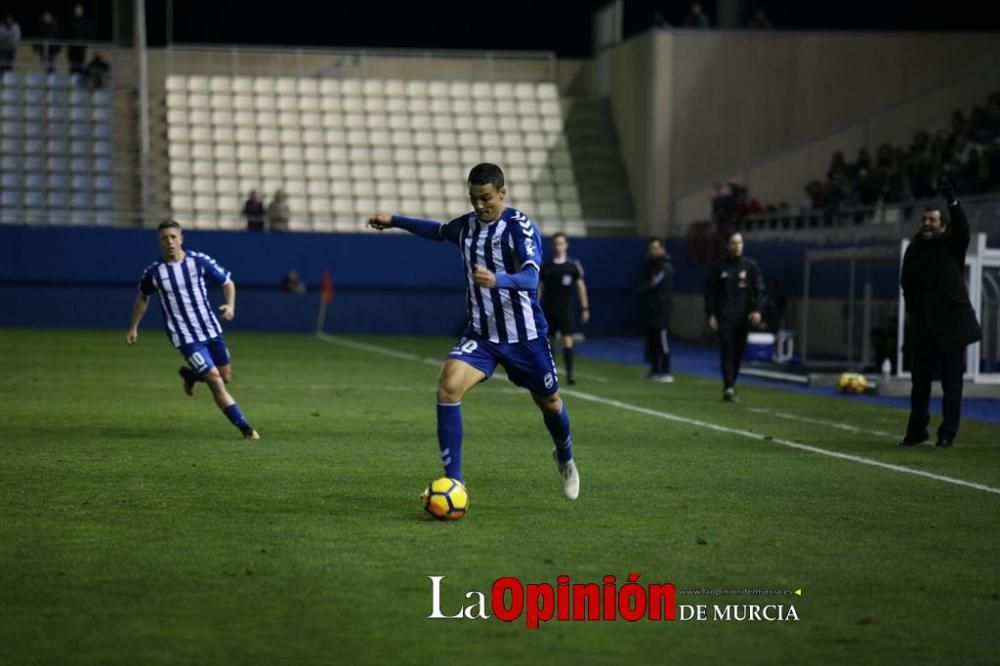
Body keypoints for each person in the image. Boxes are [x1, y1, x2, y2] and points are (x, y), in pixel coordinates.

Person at [366, 163, 580, 500]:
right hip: (481, 335)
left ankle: (565, 456)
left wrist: (499, 280)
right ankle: (455, 483)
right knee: (448, 387)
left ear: (502, 193)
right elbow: (435, 230)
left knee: (551, 404)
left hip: (524, 338)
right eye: (473, 198)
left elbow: (530, 278)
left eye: (486, 198)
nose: (480, 206)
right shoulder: (465, 227)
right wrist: (394, 220)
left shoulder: (519, 228)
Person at [126, 220, 260, 440]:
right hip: (185, 337)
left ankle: (190, 375)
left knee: (225, 377)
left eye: (172, 237)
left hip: (211, 330)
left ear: (181, 238)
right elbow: (143, 296)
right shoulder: (154, 273)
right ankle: (246, 429)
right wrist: (134, 327)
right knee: (216, 381)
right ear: (159, 242)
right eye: (164, 238)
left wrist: (231, 306)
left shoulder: (199, 261)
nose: (169, 241)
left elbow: (228, 282)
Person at [899, 177, 982, 448]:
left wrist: (952, 201)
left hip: (952, 327)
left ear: (943, 225)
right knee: (919, 385)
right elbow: (906, 285)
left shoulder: (952, 245)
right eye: (924, 220)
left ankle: (947, 433)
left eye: (933, 220)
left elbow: (964, 230)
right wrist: (913, 317)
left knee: (952, 386)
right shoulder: (913, 250)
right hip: (924, 327)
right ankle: (916, 432)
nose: (927, 223)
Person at [705, 232, 765, 402]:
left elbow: (759, 290)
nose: (737, 246)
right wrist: (711, 314)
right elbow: (710, 292)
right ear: (728, 245)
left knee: (738, 354)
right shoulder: (718, 267)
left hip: (743, 318)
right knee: (727, 352)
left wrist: (757, 310)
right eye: (733, 243)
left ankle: (731, 384)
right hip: (724, 317)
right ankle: (729, 388)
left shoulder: (750, 266)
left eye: (739, 243)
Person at [538, 232, 589, 385]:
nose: (558, 246)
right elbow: (541, 287)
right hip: (548, 307)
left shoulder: (573, 265)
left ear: (566, 245)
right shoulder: (546, 265)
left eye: (561, 243)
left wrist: (585, 307)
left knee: (567, 340)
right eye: (556, 244)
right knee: (550, 342)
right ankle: (551, 375)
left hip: (565, 308)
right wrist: (534, 305)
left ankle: (570, 374)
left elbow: (581, 286)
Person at [636, 237, 675, 383]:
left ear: (662, 249)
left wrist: (641, 288)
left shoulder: (665, 266)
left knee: (661, 339)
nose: (653, 251)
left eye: (655, 248)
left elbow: (652, 283)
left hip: (661, 309)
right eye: (651, 248)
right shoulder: (649, 265)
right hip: (650, 309)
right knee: (652, 341)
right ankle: (655, 370)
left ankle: (666, 370)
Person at [65, 3, 89, 75]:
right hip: (72, 47)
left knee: (80, 65)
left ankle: (80, 81)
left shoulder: (85, 22)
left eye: (79, 10)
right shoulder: (70, 21)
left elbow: (87, 33)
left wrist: (83, 41)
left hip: (81, 47)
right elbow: (68, 33)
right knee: (72, 65)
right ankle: (72, 82)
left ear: (82, 11)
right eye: (77, 10)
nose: (78, 12)